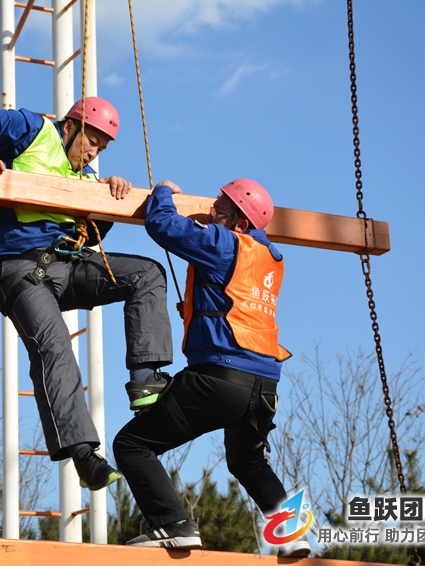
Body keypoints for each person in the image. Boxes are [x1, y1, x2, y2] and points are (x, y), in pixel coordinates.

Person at [0, 98, 173, 491]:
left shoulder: (85, 179)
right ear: (71, 126)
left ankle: (146, 380)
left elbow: (92, 235)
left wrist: (113, 196)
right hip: (20, 269)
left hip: (66, 267)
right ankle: (84, 455)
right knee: (55, 348)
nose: (92, 153)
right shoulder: (33, 131)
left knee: (146, 273)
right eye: (91, 142)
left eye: (101, 149)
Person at [113, 178, 311, 557]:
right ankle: (293, 532)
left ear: (239, 222)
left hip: (221, 378)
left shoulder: (226, 245)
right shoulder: (269, 259)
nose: (211, 213)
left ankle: (173, 524)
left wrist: (164, 191)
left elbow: (163, 225)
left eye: (220, 209)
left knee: (133, 444)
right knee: (249, 462)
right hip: (264, 387)